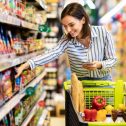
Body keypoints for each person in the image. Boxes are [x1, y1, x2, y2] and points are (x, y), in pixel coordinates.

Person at [15, 2, 117, 81]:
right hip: (80, 86)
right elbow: (52, 53)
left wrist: (99, 65)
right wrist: (27, 64)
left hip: (103, 83)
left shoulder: (102, 33)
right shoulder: (67, 38)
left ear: (83, 20)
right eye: (65, 26)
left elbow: (112, 60)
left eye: (72, 25)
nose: (68, 30)